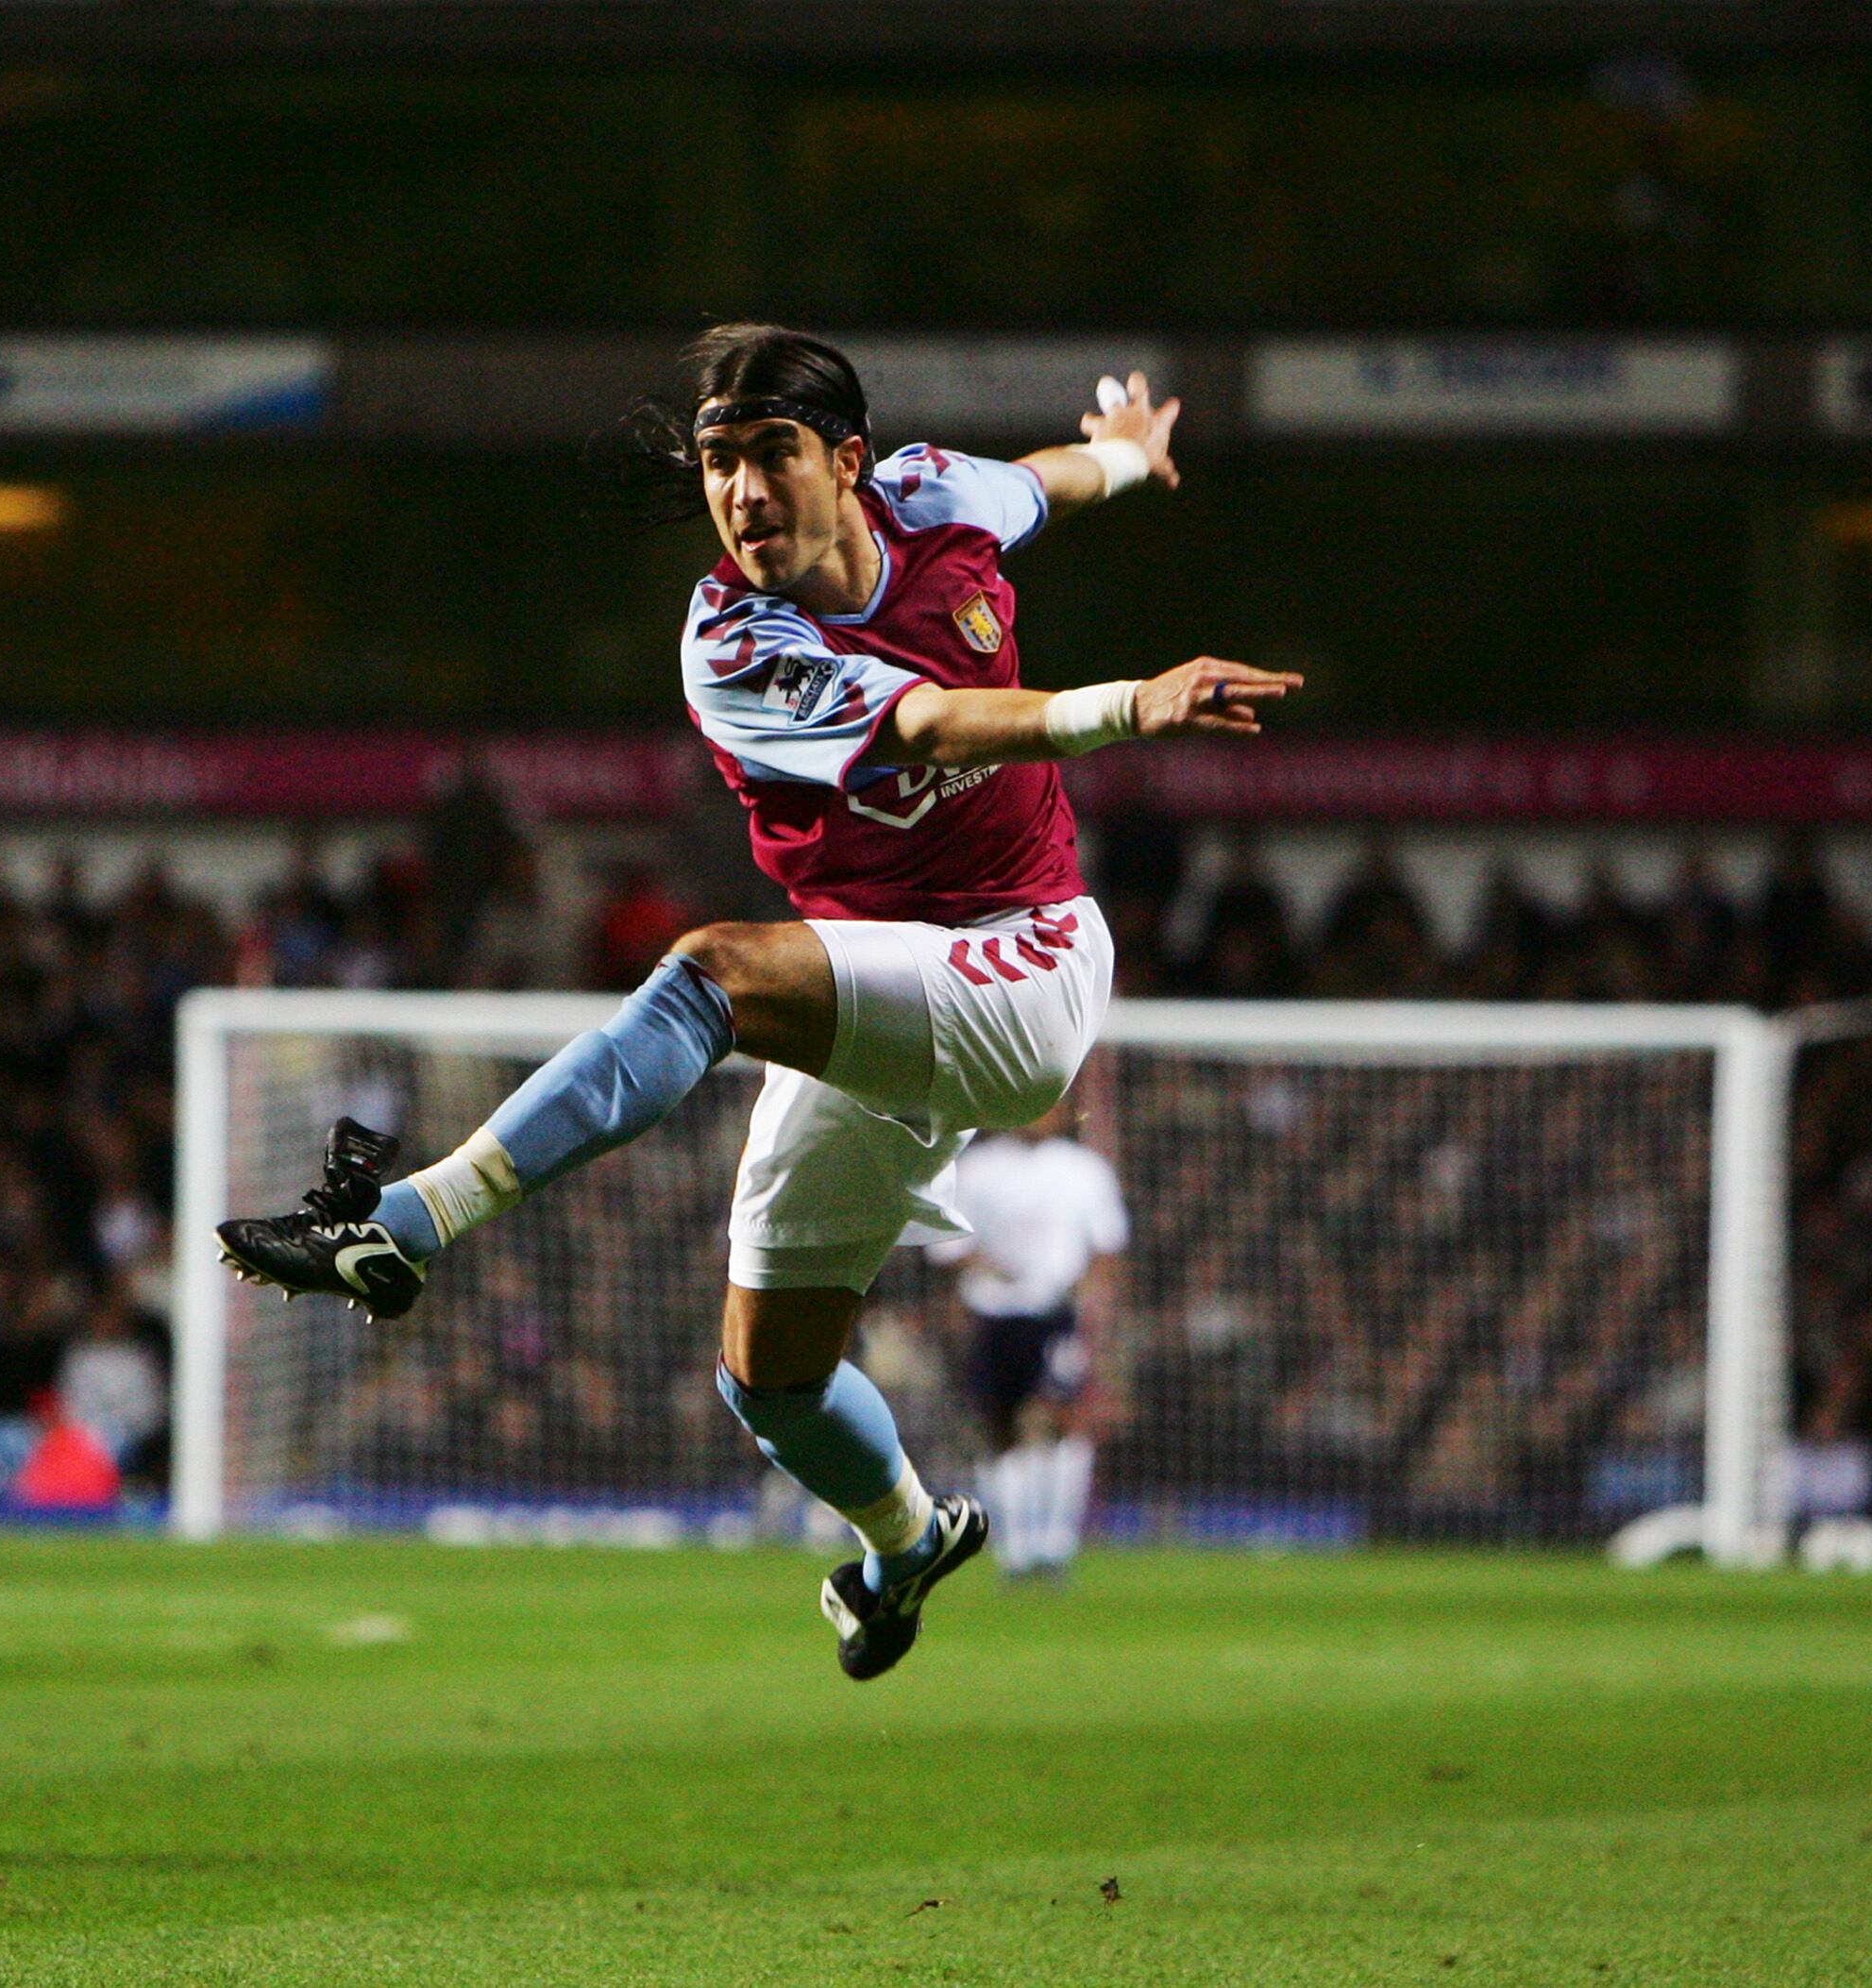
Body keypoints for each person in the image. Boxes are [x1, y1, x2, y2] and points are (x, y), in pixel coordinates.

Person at [218, 324, 1300, 1679]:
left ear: (846, 462)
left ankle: (405, 1224)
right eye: (717, 461)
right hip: (879, 992)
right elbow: (925, 722)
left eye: (769, 454)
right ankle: (905, 1545)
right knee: (768, 1379)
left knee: (717, 971)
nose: (739, 491)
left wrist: (1126, 458)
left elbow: (1045, 483)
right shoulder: (732, 643)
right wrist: (1127, 701)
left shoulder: (933, 495)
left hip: (1024, 959)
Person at [928, 1096, 1127, 1582]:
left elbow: (1108, 1245)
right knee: (999, 1429)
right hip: (994, 1313)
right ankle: (1015, 1550)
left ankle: (1055, 1545)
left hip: (1054, 1314)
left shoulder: (1083, 1170)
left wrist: (1090, 1295)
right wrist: (987, 1266)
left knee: (1056, 1420)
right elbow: (945, 1245)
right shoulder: (977, 1169)